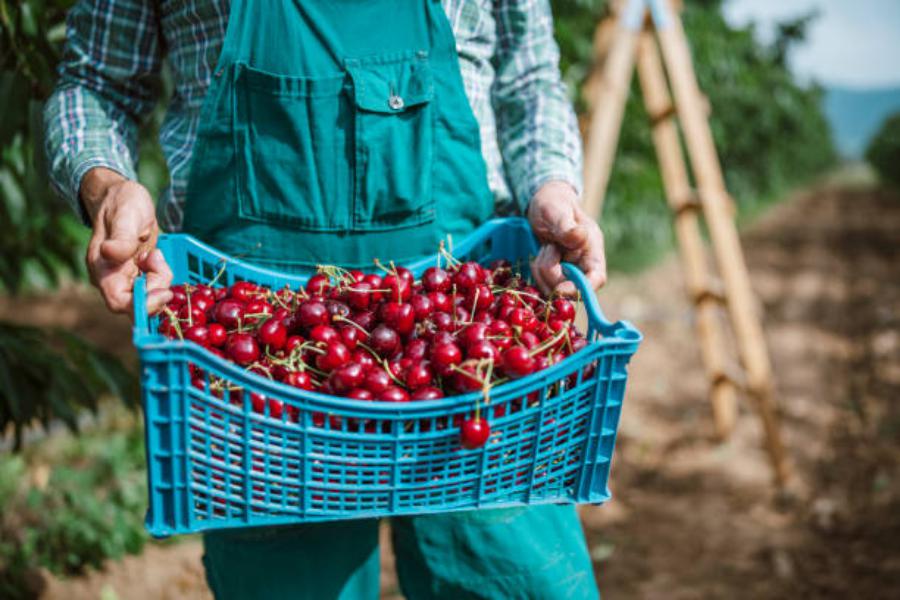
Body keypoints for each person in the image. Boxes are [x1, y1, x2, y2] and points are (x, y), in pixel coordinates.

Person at [45, 1, 607, 598]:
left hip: (473, 345)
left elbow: (528, 75)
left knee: (510, 575)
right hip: (257, 377)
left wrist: (551, 184)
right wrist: (105, 184)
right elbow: (94, 83)